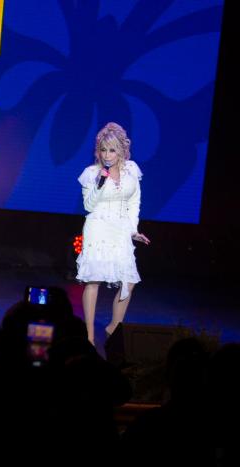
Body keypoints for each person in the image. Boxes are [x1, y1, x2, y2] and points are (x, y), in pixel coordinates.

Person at [76, 122, 150, 345]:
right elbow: (88, 205)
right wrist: (100, 182)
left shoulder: (131, 171)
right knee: (93, 280)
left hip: (120, 229)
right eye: (103, 149)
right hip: (97, 226)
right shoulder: (91, 174)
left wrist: (132, 231)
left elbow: (134, 203)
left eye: (112, 150)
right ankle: (88, 335)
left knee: (128, 281)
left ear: (121, 150)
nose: (107, 155)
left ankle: (114, 327)